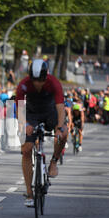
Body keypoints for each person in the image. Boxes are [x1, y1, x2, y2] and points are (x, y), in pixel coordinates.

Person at [16, 59, 68, 207]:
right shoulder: (24, 84)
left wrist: (59, 127)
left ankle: (53, 162)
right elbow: (19, 108)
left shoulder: (54, 83)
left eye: (41, 80)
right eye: (35, 80)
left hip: (50, 112)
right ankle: (29, 193)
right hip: (32, 114)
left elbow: (60, 108)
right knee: (26, 149)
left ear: (46, 76)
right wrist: (25, 124)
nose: (38, 84)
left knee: (64, 133)